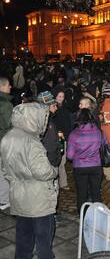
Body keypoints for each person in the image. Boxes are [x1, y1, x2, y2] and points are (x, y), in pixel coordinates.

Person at [0, 103, 58, 258]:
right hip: (38, 200)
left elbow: (4, 169)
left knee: (23, 240)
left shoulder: (8, 137)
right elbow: (43, 171)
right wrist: (54, 170)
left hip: (19, 196)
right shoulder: (31, 142)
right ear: (34, 118)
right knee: (43, 242)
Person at [67, 109, 105, 213]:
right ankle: (99, 217)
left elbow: (69, 156)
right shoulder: (98, 132)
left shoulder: (73, 135)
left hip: (80, 167)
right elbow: (106, 146)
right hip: (96, 166)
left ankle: (83, 217)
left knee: (82, 194)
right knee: (96, 193)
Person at [53, 90, 72, 190]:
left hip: (63, 139)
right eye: (59, 96)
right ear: (55, 97)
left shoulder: (65, 109)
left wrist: (67, 138)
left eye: (62, 97)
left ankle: (63, 183)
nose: (61, 98)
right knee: (53, 161)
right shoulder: (52, 109)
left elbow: (68, 125)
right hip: (53, 139)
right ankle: (54, 183)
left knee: (62, 161)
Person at [0, 77, 13, 210]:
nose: (10, 87)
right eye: (8, 85)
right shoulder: (6, 105)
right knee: (4, 170)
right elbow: (9, 125)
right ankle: (4, 200)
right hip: (3, 142)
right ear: (2, 87)